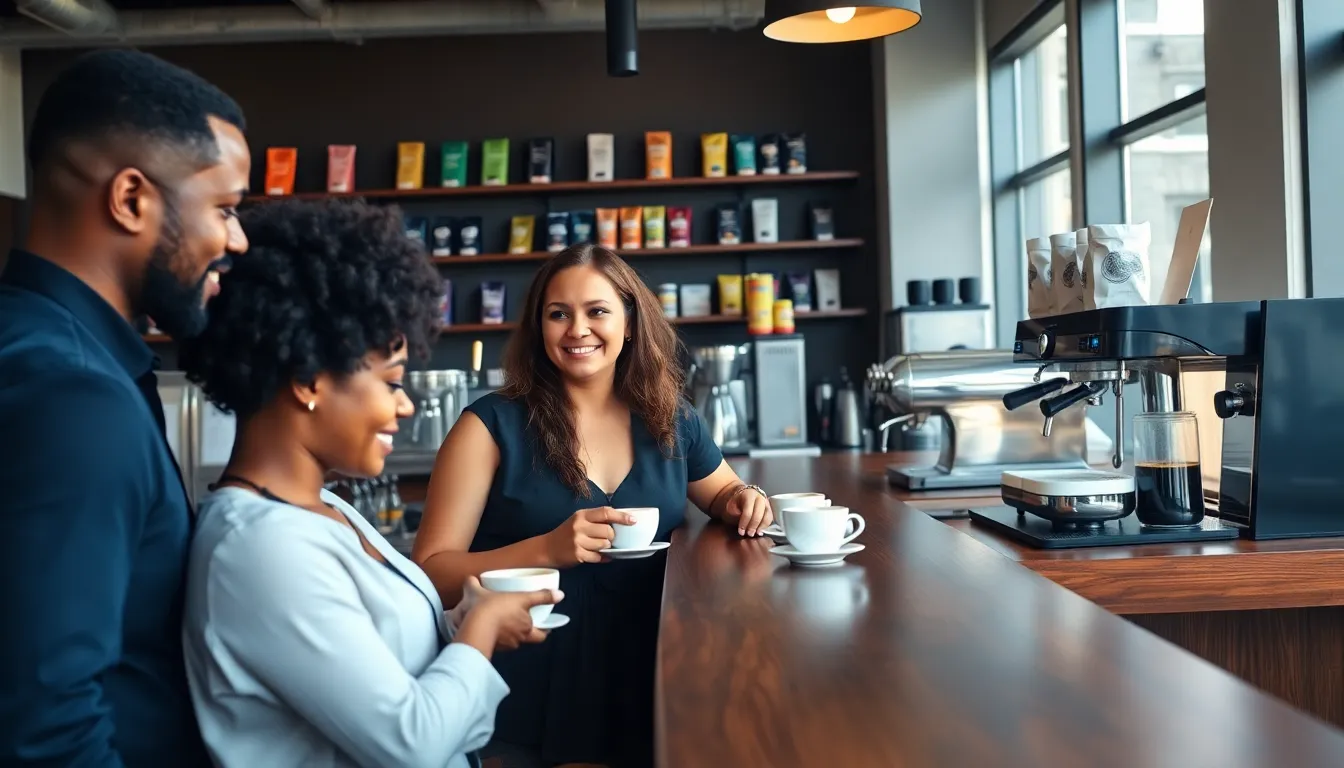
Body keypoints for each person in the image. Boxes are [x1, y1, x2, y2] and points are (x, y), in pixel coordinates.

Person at [176, 197, 562, 768]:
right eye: (391, 382)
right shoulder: (260, 547)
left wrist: (468, 614)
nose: (404, 406)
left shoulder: (324, 506)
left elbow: (378, 653)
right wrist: (479, 630)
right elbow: (413, 744)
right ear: (308, 379)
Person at [413, 243, 775, 767]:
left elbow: (722, 491)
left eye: (597, 311)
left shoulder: (671, 419)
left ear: (630, 322)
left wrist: (746, 499)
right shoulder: (487, 426)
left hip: (652, 671)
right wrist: (547, 548)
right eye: (558, 313)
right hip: (527, 686)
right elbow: (430, 573)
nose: (577, 329)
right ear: (539, 328)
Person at [0, 49, 250, 766]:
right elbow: (44, 728)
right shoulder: (74, 399)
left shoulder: (38, 350)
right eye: (226, 209)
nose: (237, 239)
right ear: (132, 199)